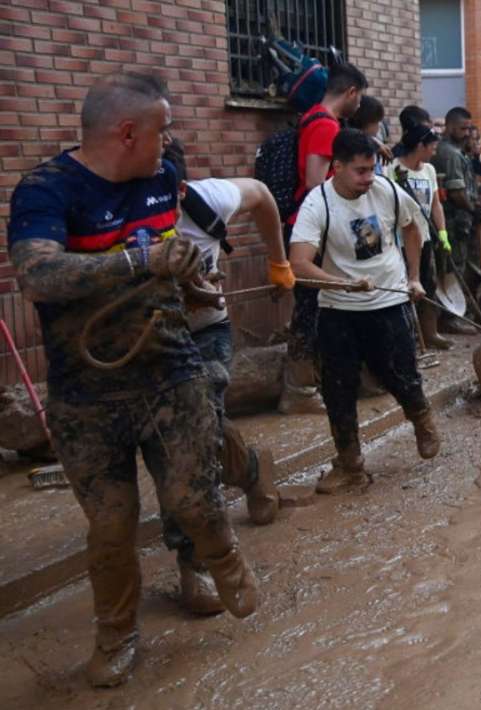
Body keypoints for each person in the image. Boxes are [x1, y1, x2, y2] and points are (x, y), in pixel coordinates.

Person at [7, 73, 259, 687]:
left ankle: (215, 556)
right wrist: (138, 260)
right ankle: (116, 636)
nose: (168, 140)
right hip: (86, 393)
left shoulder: (161, 181)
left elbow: (165, 259)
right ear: (126, 132)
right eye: (161, 128)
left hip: (171, 371)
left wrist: (188, 273)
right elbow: (37, 277)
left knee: (192, 500)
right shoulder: (45, 190)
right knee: (112, 527)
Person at [158, 146, 294, 614]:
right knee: (183, 439)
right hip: (149, 340)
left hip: (206, 330)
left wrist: (278, 262)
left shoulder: (207, 199)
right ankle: (253, 470)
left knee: (194, 439)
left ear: (178, 191)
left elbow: (259, 195)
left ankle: (194, 563)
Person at [288, 129, 442, 493]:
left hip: (388, 302)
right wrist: (342, 284)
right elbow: (298, 265)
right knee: (337, 389)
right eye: (359, 171)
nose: (367, 178)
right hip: (338, 308)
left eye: (371, 169)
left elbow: (411, 228)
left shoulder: (386, 190)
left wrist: (415, 277)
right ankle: (350, 463)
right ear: (336, 167)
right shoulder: (318, 203)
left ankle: (421, 419)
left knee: (400, 374)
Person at [282, 62, 368, 415]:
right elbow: (317, 184)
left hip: (318, 228)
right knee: (308, 310)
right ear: (350, 93)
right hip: (312, 231)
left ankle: (322, 380)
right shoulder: (323, 126)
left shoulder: (321, 122)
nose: (359, 105)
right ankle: (299, 391)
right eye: (359, 97)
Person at [391, 124, 454, 349]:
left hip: (426, 237)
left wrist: (443, 232)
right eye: (432, 147)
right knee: (404, 287)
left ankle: (430, 333)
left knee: (428, 284)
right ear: (420, 146)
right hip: (400, 240)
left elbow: (435, 204)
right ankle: (407, 338)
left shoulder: (428, 170)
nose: (434, 152)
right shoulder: (393, 168)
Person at [430, 106, 481, 333]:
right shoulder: (449, 153)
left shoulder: (457, 151)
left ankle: (454, 314)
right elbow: (457, 193)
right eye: (463, 128)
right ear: (450, 127)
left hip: (459, 220)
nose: (467, 133)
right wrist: (473, 210)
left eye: (469, 128)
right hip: (452, 220)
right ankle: (449, 319)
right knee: (453, 268)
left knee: (458, 266)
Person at [348, 94, 392, 171]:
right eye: (376, 122)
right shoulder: (361, 149)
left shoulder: (376, 144)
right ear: (366, 122)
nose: (378, 127)